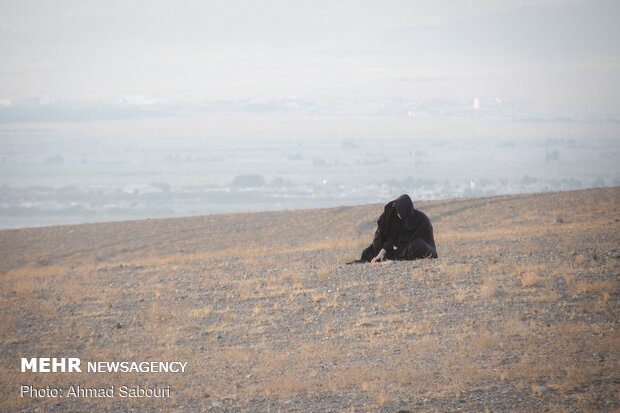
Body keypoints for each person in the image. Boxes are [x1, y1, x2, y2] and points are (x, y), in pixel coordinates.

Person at [360, 194, 437, 263]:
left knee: (415, 245)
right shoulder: (399, 219)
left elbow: (424, 239)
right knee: (368, 252)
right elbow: (393, 238)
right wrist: (382, 252)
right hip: (403, 248)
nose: (398, 214)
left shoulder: (421, 219)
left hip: (422, 247)